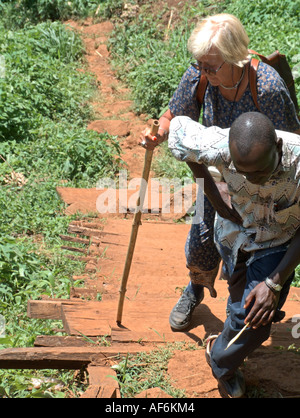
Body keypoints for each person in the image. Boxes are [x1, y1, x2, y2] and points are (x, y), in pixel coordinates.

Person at [140, 13, 300, 331]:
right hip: (215, 176)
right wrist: (159, 132)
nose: (204, 71)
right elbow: (176, 114)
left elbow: (286, 146)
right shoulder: (202, 72)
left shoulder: (266, 88)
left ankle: (244, 312)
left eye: (212, 66)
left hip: (260, 184)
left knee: (255, 245)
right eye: (201, 65)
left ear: (233, 58)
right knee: (201, 240)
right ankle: (195, 288)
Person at [168, 111, 300, 398]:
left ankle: (220, 361)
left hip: (275, 243)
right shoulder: (216, 145)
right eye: (245, 173)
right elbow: (178, 131)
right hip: (232, 234)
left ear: (278, 148)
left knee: (254, 321)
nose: (254, 180)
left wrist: (274, 283)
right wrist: (214, 197)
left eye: (262, 172)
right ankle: (234, 323)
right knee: (239, 297)